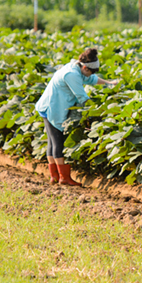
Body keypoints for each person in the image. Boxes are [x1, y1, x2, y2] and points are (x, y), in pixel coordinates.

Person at [35, 48, 115, 186]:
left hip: (49, 105)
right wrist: (97, 111)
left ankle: (54, 176)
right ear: (85, 67)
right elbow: (81, 96)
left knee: (52, 142)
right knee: (57, 142)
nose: (92, 74)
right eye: (92, 71)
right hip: (52, 108)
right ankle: (63, 177)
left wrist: (109, 83)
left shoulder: (76, 68)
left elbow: (91, 79)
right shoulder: (71, 74)